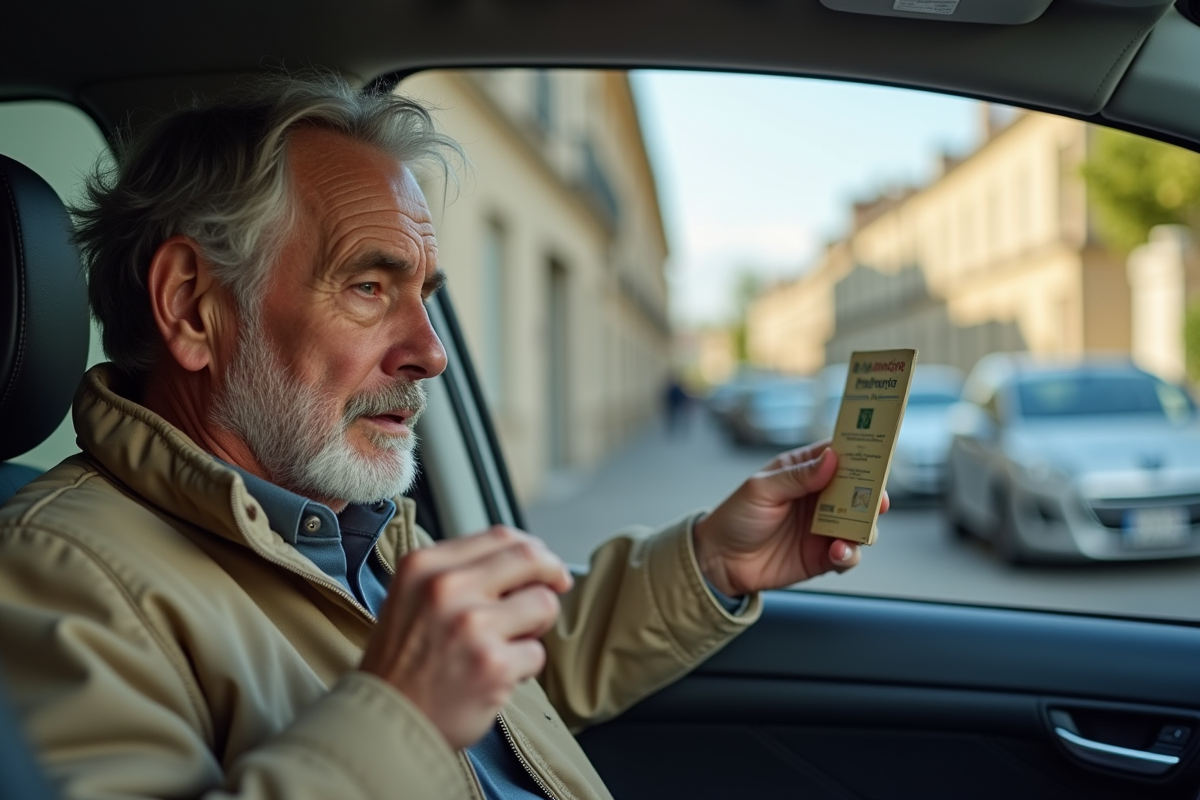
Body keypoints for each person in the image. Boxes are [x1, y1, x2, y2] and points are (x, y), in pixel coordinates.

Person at [0, 73, 871, 800]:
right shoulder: (52, 580)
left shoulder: (338, 525)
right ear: (194, 306)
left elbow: (514, 681)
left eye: (424, 293)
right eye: (370, 287)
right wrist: (401, 718)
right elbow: (427, 702)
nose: (432, 352)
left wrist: (714, 562)